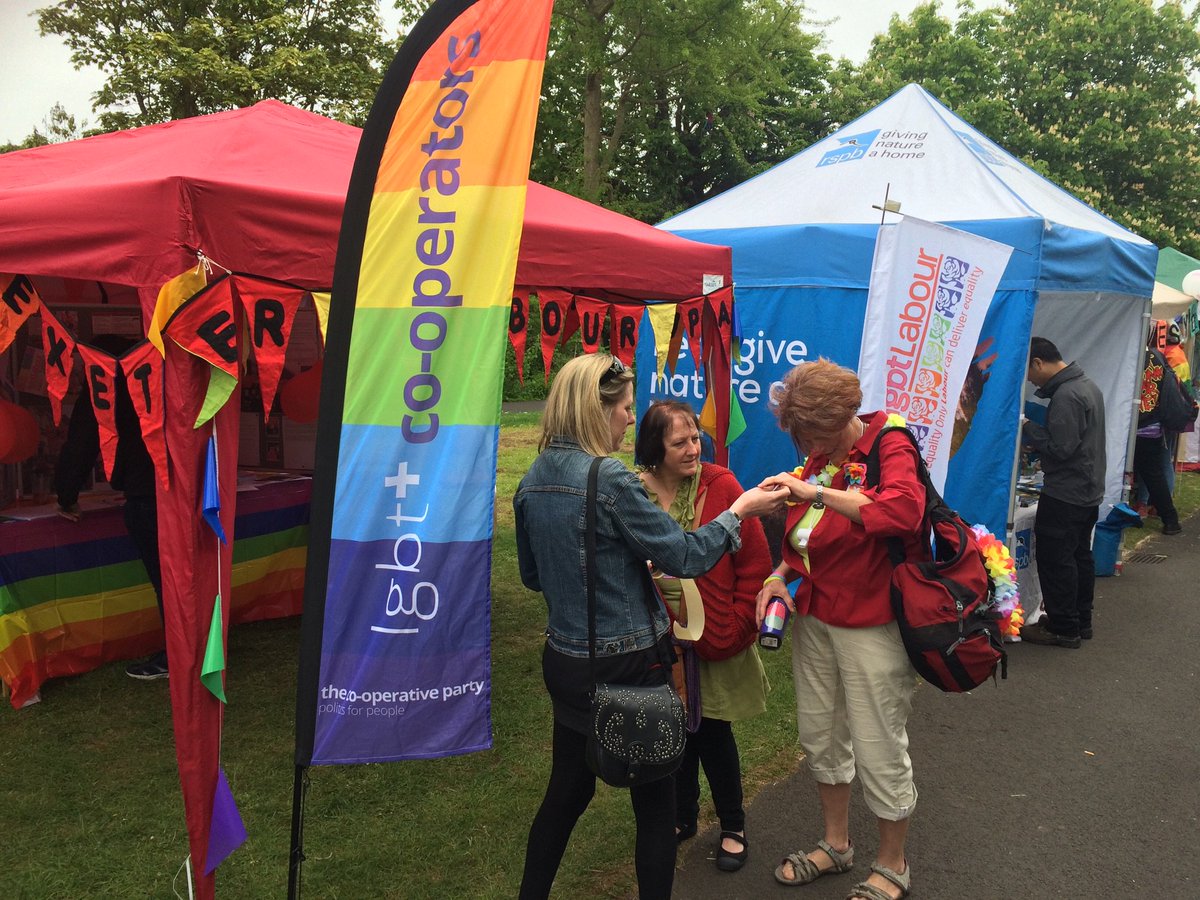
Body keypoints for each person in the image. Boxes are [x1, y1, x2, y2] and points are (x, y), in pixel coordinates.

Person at [513, 354, 782, 900]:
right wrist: (740, 513)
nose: (628, 422)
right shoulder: (609, 477)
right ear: (596, 409)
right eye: (625, 409)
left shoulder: (534, 476)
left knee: (566, 793)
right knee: (656, 808)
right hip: (631, 663)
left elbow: (532, 575)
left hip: (565, 660)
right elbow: (684, 554)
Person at [755, 359, 924, 900]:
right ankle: (836, 845)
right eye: (804, 439)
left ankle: (893, 864)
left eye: (816, 436)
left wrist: (817, 494)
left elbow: (901, 512)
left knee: (878, 741)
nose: (809, 448)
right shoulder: (821, 456)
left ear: (843, 417)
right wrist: (779, 576)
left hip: (871, 624)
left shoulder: (889, 441)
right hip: (817, 618)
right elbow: (810, 535)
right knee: (822, 734)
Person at [635, 400, 772, 873]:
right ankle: (683, 816)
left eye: (696, 437)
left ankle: (733, 824)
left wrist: (735, 625)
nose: (694, 448)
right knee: (673, 734)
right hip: (657, 646)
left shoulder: (722, 486)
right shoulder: (632, 492)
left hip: (716, 640)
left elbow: (755, 562)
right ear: (655, 447)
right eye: (681, 442)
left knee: (713, 734)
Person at [55, 334, 166, 680]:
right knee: (182, 578)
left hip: (146, 496)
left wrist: (66, 495)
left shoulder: (102, 384)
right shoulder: (158, 375)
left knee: (168, 581)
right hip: (179, 491)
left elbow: (82, 444)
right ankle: (192, 649)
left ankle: (177, 656)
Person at [1020, 336, 1108, 649]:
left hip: (1067, 491)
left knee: (1057, 559)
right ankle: (1080, 621)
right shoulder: (1086, 386)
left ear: (1038, 363)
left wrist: (1028, 426)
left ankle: (1063, 626)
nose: (1028, 379)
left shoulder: (1068, 395)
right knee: (1079, 556)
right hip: (1087, 489)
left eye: (1028, 371)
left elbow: (1061, 448)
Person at [1131, 339, 1182, 536]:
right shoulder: (1157, 356)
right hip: (1154, 425)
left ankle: (1169, 518)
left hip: (1139, 424)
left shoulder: (1135, 357)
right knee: (1154, 473)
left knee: (1151, 472)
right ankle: (1170, 519)